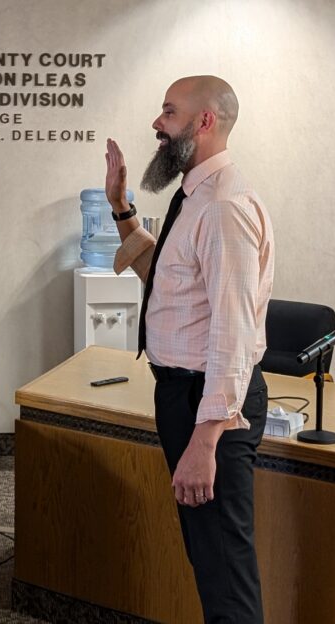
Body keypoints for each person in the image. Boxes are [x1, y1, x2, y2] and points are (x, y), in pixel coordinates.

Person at [105, 75, 273, 624]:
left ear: (204, 122)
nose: (157, 123)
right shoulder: (195, 195)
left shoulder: (223, 206)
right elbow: (170, 283)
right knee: (210, 559)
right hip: (188, 398)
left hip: (210, 407)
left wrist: (205, 442)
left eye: (169, 112)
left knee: (224, 570)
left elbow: (233, 334)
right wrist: (121, 208)